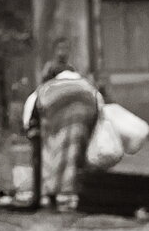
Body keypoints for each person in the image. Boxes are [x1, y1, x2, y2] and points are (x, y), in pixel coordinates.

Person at [23, 67, 102, 208]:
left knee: (50, 159)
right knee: (80, 158)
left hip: (52, 124)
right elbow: (99, 108)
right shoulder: (87, 86)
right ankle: (82, 196)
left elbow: (29, 118)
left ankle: (50, 196)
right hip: (85, 117)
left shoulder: (45, 89)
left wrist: (34, 132)